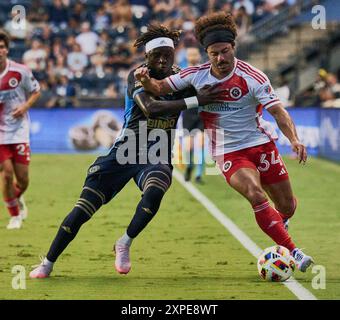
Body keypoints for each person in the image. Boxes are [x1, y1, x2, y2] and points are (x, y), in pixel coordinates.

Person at [29, 24, 224, 278]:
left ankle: (125, 242)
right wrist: (196, 100)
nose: (163, 59)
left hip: (156, 153)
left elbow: (212, 89)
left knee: (154, 194)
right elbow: (151, 108)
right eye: (157, 55)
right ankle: (48, 262)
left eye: (168, 54)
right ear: (147, 56)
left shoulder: (180, 78)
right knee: (83, 209)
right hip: (126, 150)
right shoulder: (137, 75)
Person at [134, 13, 314, 272]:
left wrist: (294, 139)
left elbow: (278, 112)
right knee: (255, 193)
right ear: (207, 53)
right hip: (228, 151)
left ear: (233, 49)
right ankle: (294, 252)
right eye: (214, 53)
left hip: (261, 144)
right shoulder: (196, 75)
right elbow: (161, 88)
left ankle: (280, 222)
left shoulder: (253, 76)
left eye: (225, 51)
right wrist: (144, 81)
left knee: (287, 206)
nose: (220, 58)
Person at [0, 30, 41, 229]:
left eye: (1, 47)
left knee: (23, 180)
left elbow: (36, 91)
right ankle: (14, 216)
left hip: (19, 131)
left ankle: (16, 198)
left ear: (6, 49)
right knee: (6, 174)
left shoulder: (20, 71)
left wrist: (24, 107)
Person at [180, 47, 205, 183]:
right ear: (187, 57)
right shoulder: (183, 73)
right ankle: (189, 166)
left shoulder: (204, 72)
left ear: (199, 55)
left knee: (200, 144)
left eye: (195, 54)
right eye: (190, 54)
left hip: (201, 111)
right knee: (189, 145)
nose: (192, 56)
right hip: (188, 112)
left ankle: (198, 175)